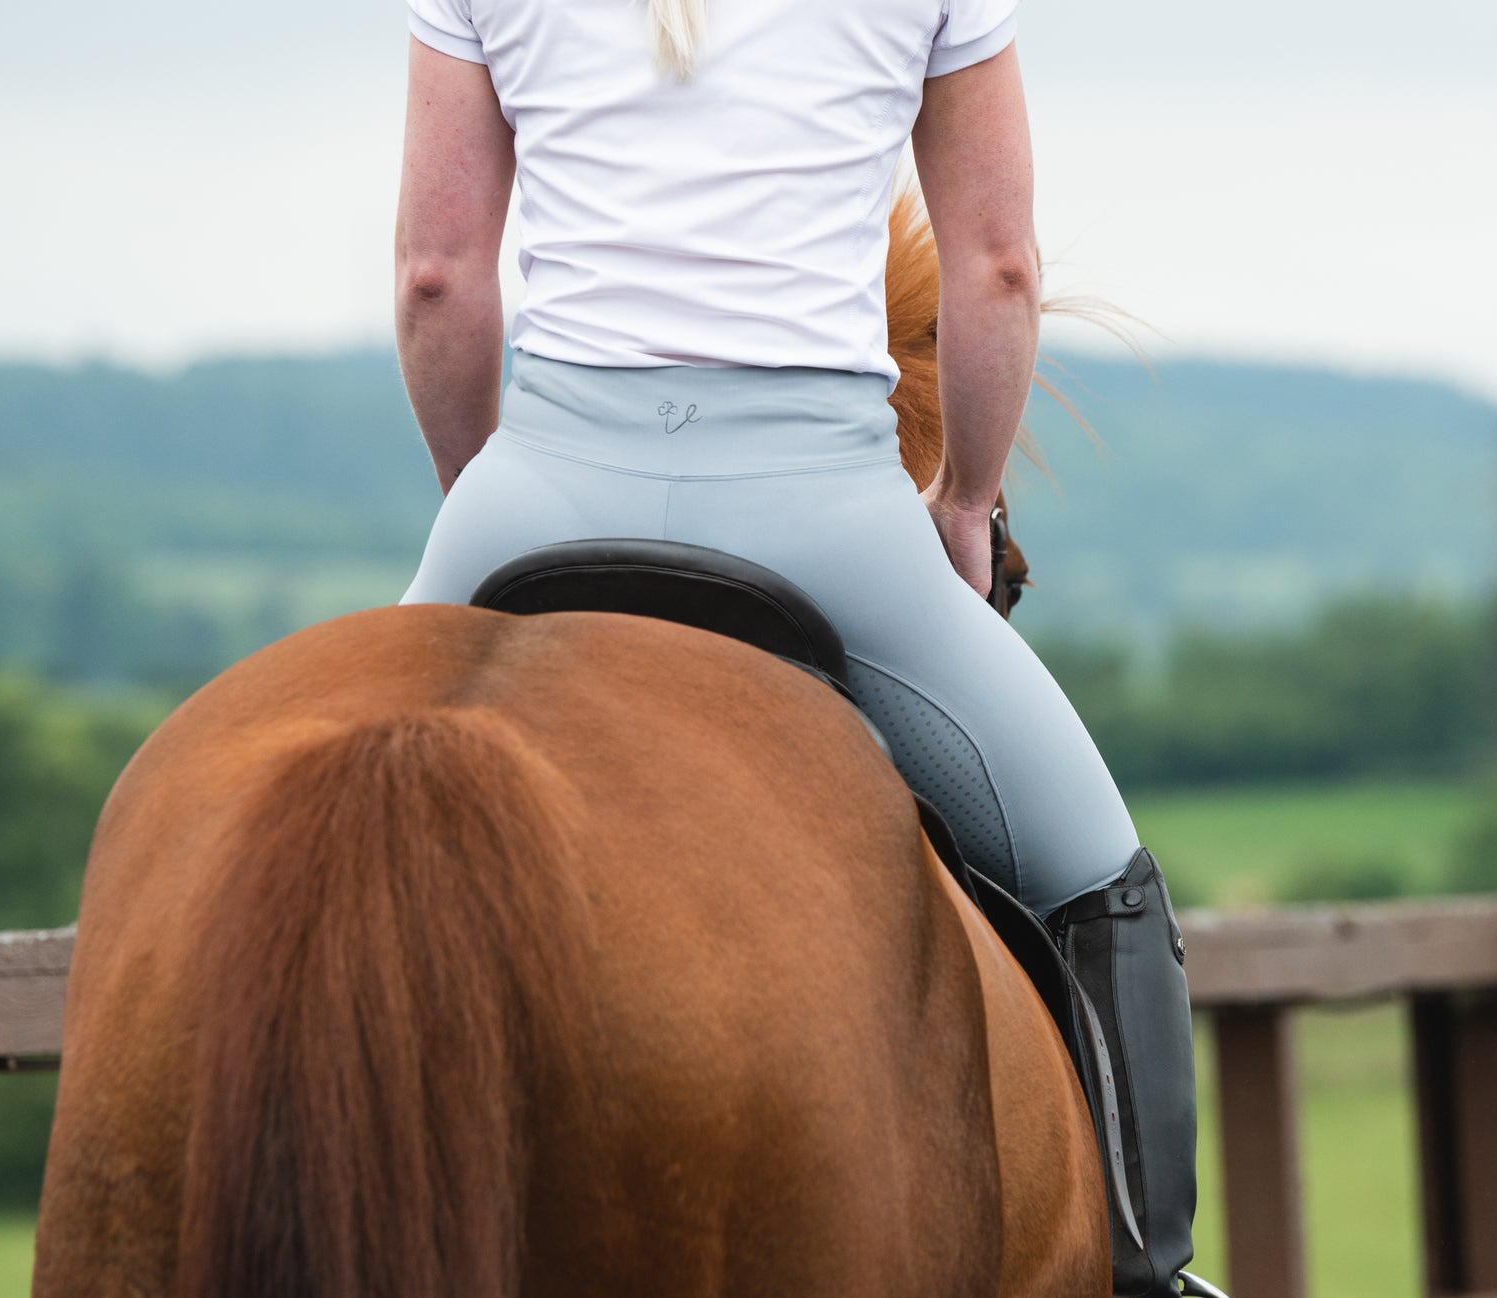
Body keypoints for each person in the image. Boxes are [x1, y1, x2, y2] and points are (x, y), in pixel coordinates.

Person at [392, 0, 1205, 1292]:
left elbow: (438, 275)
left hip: (537, 488)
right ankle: (1143, 1268)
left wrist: (488, 504)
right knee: (1094, 870)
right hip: (820, 519)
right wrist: (959, 502)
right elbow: (996, 267)